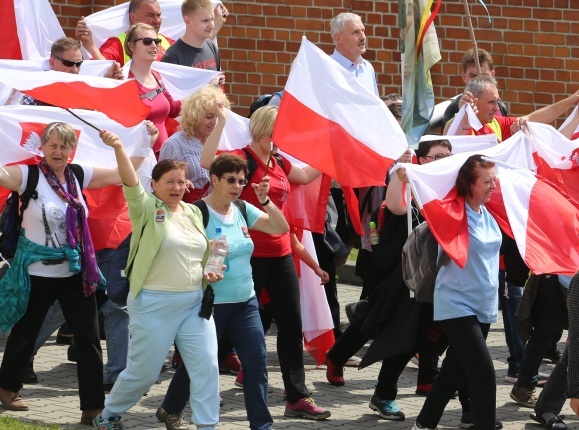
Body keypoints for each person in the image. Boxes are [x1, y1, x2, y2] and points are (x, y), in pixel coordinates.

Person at [0, 121, 152, 425]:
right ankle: (6, 388)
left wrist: (134, 144)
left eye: (64, 145)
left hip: (75, 272)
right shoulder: (27, 176)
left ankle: (92, 407)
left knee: (88, 337)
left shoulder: (77, 175)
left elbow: (125, 174)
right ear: (42, 147)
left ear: (72, 149)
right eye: (52, 145)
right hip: (35, 272)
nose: (58, 151)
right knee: (24, 333)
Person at [197, 104, 331, 420]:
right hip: (249, 255)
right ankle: (204, 387)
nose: (283, 138)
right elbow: (207, 162)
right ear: (264, 130)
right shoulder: (243, 158)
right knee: (223, 324)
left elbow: (307, 174)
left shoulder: (280, 160)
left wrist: (329, 149)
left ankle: (297, 396)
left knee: (291, 325)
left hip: (282, 252)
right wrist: (222, 123)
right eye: (279, 131)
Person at [93, 132, 222, 430]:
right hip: (152, 304)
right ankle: (109, 414)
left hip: (193, 304)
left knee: (206, 366)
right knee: (143, 372)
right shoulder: (147, 208)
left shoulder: (191, 211)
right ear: (154, 185)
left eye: (181, 181)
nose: (176, 187)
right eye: (169, 182)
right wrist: (119, 147)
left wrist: (211, 270)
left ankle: (207, 425)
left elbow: (200, 253)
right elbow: (129, 181)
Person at [157, 153, 289, 430]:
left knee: (256, 364)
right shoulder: (196, 212)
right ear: (214, 179)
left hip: (246, 302)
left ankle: (261, 426)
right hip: (212, 304)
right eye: (230, 180)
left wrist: (265, 200)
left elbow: (280, 228)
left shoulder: (241, 207)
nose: (237, 186)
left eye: (241, 181)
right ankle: (170, 407)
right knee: (200, 362)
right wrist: (204, 268)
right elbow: (180, 254)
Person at [325, 139, 453, 421]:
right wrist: (400, 171)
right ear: (420, 159)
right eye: (435, 156)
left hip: (435, 279)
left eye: (447, 155)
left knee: (419, 332)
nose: (441, 160)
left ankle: (424, 378)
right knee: (397, 332)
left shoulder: (446, 189)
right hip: (402, 278)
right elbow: (395, 205)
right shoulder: (409, 184)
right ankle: (381, 392)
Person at [409, 154, 502, 430]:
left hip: (483, 304)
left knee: (454, 372)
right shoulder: (450, 212)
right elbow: (421, 198)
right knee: (483, 373)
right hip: (456, 303)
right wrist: (407, 172)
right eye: (487, 181)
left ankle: (424, 424)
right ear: (468, 184)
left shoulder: (488, 212)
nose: (493, 186)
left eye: (494, 180)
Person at [445, 74, 579, 140]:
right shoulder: (455, 126)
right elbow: (453, 136)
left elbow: (533, 118)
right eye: (491, 102)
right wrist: (464, 117)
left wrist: (572, 100)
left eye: (497, 101)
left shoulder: (495, 123)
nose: (497, 108)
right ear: (474, 100)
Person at [159, 85, 229, 203]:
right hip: (186, 210)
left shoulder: (220, 139)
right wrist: (181, 182)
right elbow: (161, 182)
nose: (214, 122)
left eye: (218, 117)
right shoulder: (174, 144)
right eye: (209, 117)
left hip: (214, 208)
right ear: (194, 116)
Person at [124, 23, 181, 155]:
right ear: (131, 46)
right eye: (147, 41)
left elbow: (173, 109)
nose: (154, 46)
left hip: (164, 157)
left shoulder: (156, 75)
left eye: (157, 41)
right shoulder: (124, 81)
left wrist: (206, 88)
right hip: (141, 158)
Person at [76, 0, 172, 67]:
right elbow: (101, 68)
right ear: (133, 17)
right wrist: (90, 45)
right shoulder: (118, 43)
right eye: (150, 15)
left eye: (159, 15)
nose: (156, 21)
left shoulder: (167, 42)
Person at [161, 0, 225, 86]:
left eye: (212, 19)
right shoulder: (173, 57)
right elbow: (173, 96)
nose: (211, 25)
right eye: (205, 21)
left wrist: (219, 81)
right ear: (187, 21)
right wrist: (209, 86)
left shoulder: (211, 46)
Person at [442, 48, 508, 128]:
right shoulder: (454, 109)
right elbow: (447, 138)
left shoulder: (499, 105)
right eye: (473, 76)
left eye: (484, 76)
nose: (479, 81)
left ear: (493, 75)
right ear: (464, 77)